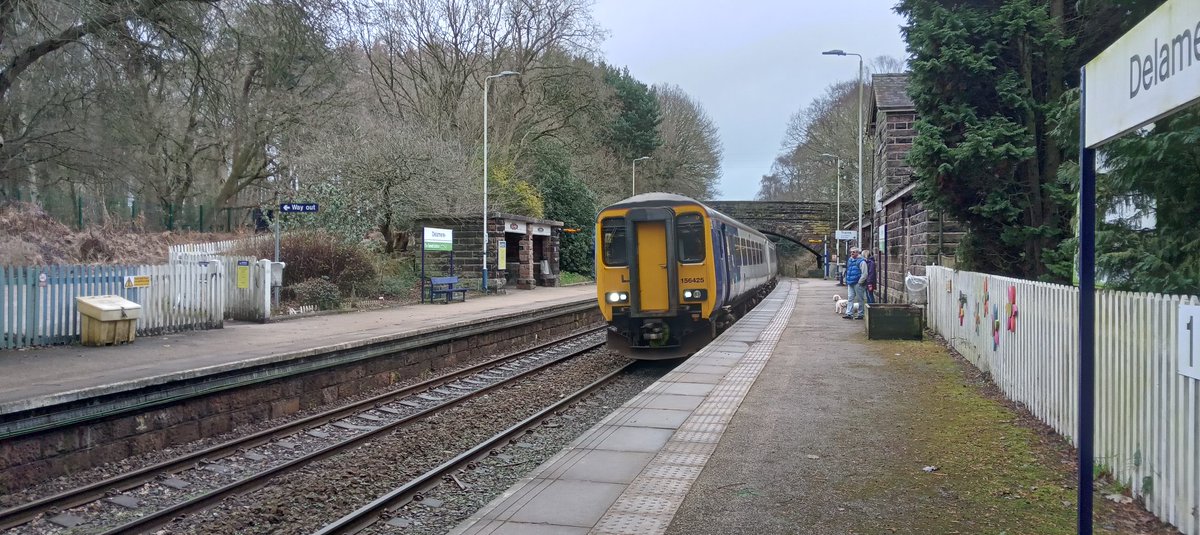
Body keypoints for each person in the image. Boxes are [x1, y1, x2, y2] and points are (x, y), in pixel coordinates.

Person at [843, 247, 868, 319]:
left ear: (857, 253)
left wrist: (860, 282)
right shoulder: (850, 260)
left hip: (858, 283)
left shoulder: (862, 261)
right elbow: (848, 270)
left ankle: (860, 314)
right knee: (850, 298)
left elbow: (865, 273)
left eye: (854, 252)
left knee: (860, 299)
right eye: (851, 252)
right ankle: (849, 313)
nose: (852, 253)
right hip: (850, 282)